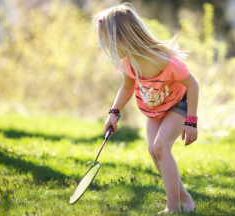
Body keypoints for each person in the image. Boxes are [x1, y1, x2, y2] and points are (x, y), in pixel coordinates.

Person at [93, 2, 199, 214]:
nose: (107, 45)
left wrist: (191, 121)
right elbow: (126, 87)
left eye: (108, 40)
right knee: (154, 151)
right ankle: (185, 199)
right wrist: (113, 113)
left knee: (161, 148)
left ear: (122, 37)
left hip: (178, 104)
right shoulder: (127, 62)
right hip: (153, 110)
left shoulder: (163, 60)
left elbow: (192, 85)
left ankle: (173, 207)